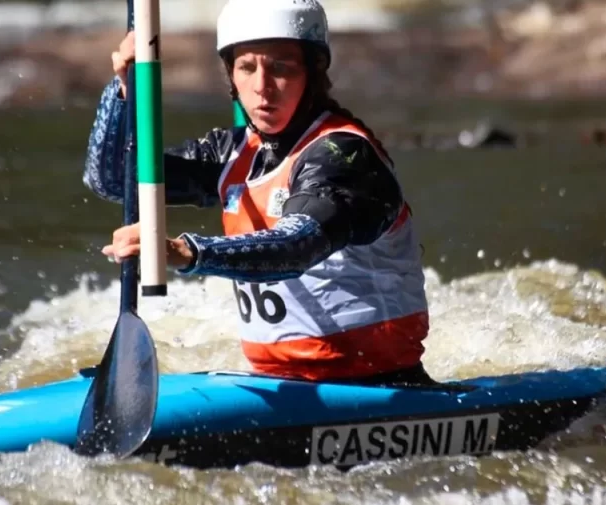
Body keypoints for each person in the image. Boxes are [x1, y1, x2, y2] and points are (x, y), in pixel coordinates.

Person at [83, 0, 434, 386]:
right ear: (231, 76)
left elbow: (297, 245)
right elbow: (114, 180)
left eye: (281, 68)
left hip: (381, 385)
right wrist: (122, 92)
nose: (262, 86)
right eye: (247, 67)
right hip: (279, 384)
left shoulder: (344, 155)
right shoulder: (235, 152)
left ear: (312, 74)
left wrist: (186, 252)